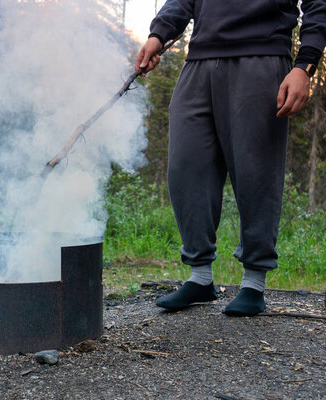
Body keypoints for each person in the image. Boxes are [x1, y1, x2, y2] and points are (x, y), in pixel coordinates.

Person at [136, 0, 326, 316]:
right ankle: (200, 277)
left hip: (261, 58)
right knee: (186, 168)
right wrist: (159, 34)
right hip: (197, 62)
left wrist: (304, 65)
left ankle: (253, 281)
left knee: (256, 171)